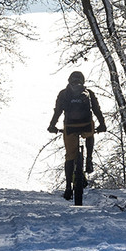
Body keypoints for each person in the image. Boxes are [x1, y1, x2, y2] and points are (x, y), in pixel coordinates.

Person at [46, 71, 105, 205]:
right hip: (86, 125)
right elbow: (96, 110)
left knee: (70, 156)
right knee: (90, 132)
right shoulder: (88, 93)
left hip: (70, 127)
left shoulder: (63, 94)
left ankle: (68, 187)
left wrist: (52, 126)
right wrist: (102, 124)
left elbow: (58, 111)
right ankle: (89, 159)